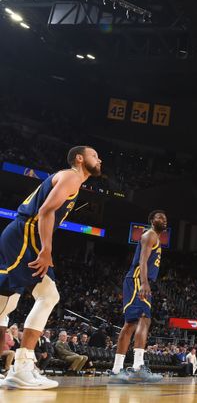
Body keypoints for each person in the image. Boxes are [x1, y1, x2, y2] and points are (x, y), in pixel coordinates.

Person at [0, 145, 101, 389]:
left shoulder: (71, 179)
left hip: (28, 236)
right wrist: (46, 250)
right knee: (7, 302)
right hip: (25, 234)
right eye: (94, 156)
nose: (100, 160)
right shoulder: (72, 176)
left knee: (41, 296)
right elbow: (46, 211)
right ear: (79, 158)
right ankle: (20, 368)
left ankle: (23, 365)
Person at [109, 210, 168, 384]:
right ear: (151, 220)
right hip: (137, 279)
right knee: (144, 319)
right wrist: (143, 282)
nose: (163, 219)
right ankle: (137, 368)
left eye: (165, 218)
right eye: (159, 217)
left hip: (138, 279)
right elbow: (142, 261)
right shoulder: (149, 235)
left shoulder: (154, 238)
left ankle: (117, 370)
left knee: (131, 324)